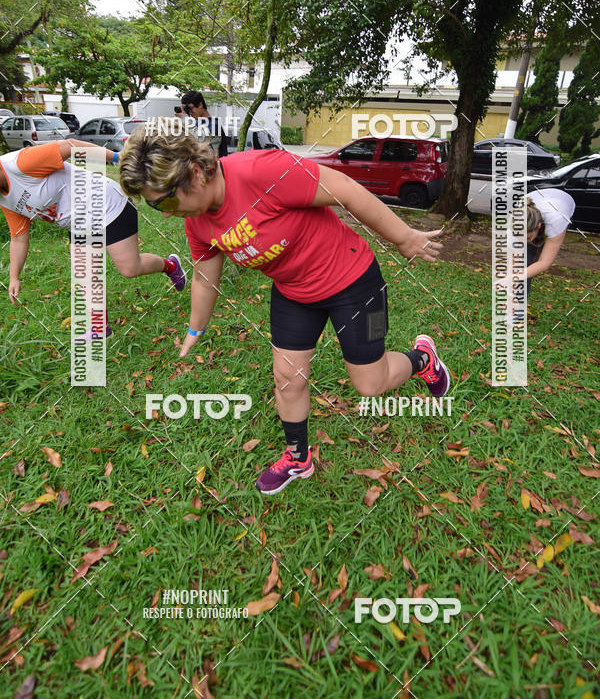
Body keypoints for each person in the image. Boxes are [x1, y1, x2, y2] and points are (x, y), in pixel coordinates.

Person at [118, 130, 451, 495]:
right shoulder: (197, 222)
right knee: (288, 378)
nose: (166, 215)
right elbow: (203, 277)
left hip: (353, 282)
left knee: (370, 384)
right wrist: (195, 330)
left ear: (195, 172)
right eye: (155, 208)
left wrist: (404, 238)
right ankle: (297, 457)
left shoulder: (261, 171)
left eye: (165, 203)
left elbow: (343, 187)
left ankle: (422, 360)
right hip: (294, 292)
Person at [0, 139, 187, 332]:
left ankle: (171, 266)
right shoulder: (4, 198)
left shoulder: (21, 164)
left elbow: (71, 145)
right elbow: (18, 238)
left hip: (106, 205)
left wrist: (117, 158)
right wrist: (14, 277)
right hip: (79, 223)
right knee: (85, 274)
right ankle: (100, 328)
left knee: (130, 269)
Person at [526, 189, 576, 294]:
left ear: (539, 227)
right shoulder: (514, 216)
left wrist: (514, 278)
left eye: (527, 237)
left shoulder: (557, 220)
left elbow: (544, 262)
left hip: (561, 204)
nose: (523, 241)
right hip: (541, 199)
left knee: (530, 261)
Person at [181, 91, 229, 158]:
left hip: (214, 166)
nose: (190, 112)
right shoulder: (195, 124)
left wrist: (184, 118)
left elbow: (200, 140)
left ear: (200, 105)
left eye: (191, 108)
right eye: (187, 109)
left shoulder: (214, 124)